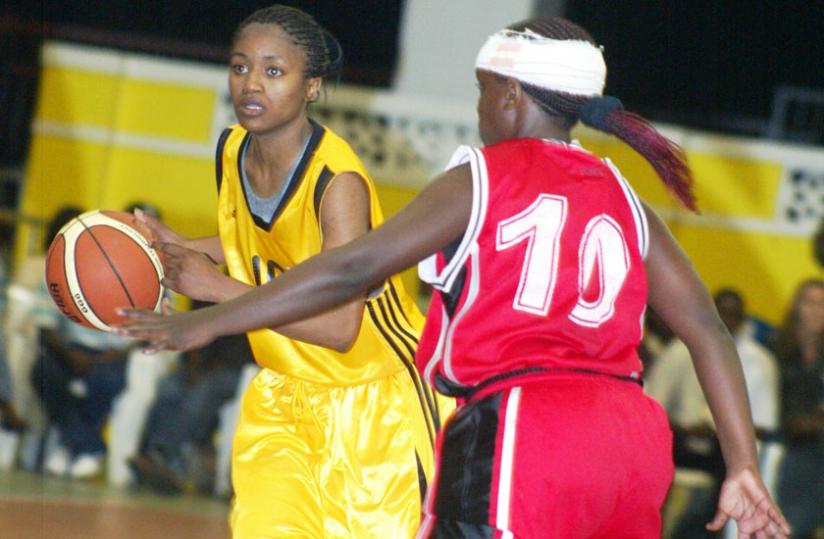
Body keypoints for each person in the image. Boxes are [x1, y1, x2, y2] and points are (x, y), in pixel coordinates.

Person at [119, 16, 790, 538]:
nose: (477, 110)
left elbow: (351, 267)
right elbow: (705, 328)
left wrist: (202, 318)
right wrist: (744, 465)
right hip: (632, 445)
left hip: (526, 426)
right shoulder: (624, 195)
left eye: (481, 92)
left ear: (510, 94)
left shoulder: (483, 176)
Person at [124, 5, 447, 537]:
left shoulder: (338, 182)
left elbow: (338, 328)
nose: (252, 83)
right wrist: (180, 244)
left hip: (373, 400)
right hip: (284, 393)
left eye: (274, 71)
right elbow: (256, 246)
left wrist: (217, 289)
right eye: (240, 66)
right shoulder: (232, 149)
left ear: (311, 86)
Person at [773, 279, 824, 538]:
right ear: (797, 307)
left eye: (822, 304)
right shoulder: (776, 350)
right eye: (810, 303)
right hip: (781, 445)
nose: (816, 310)